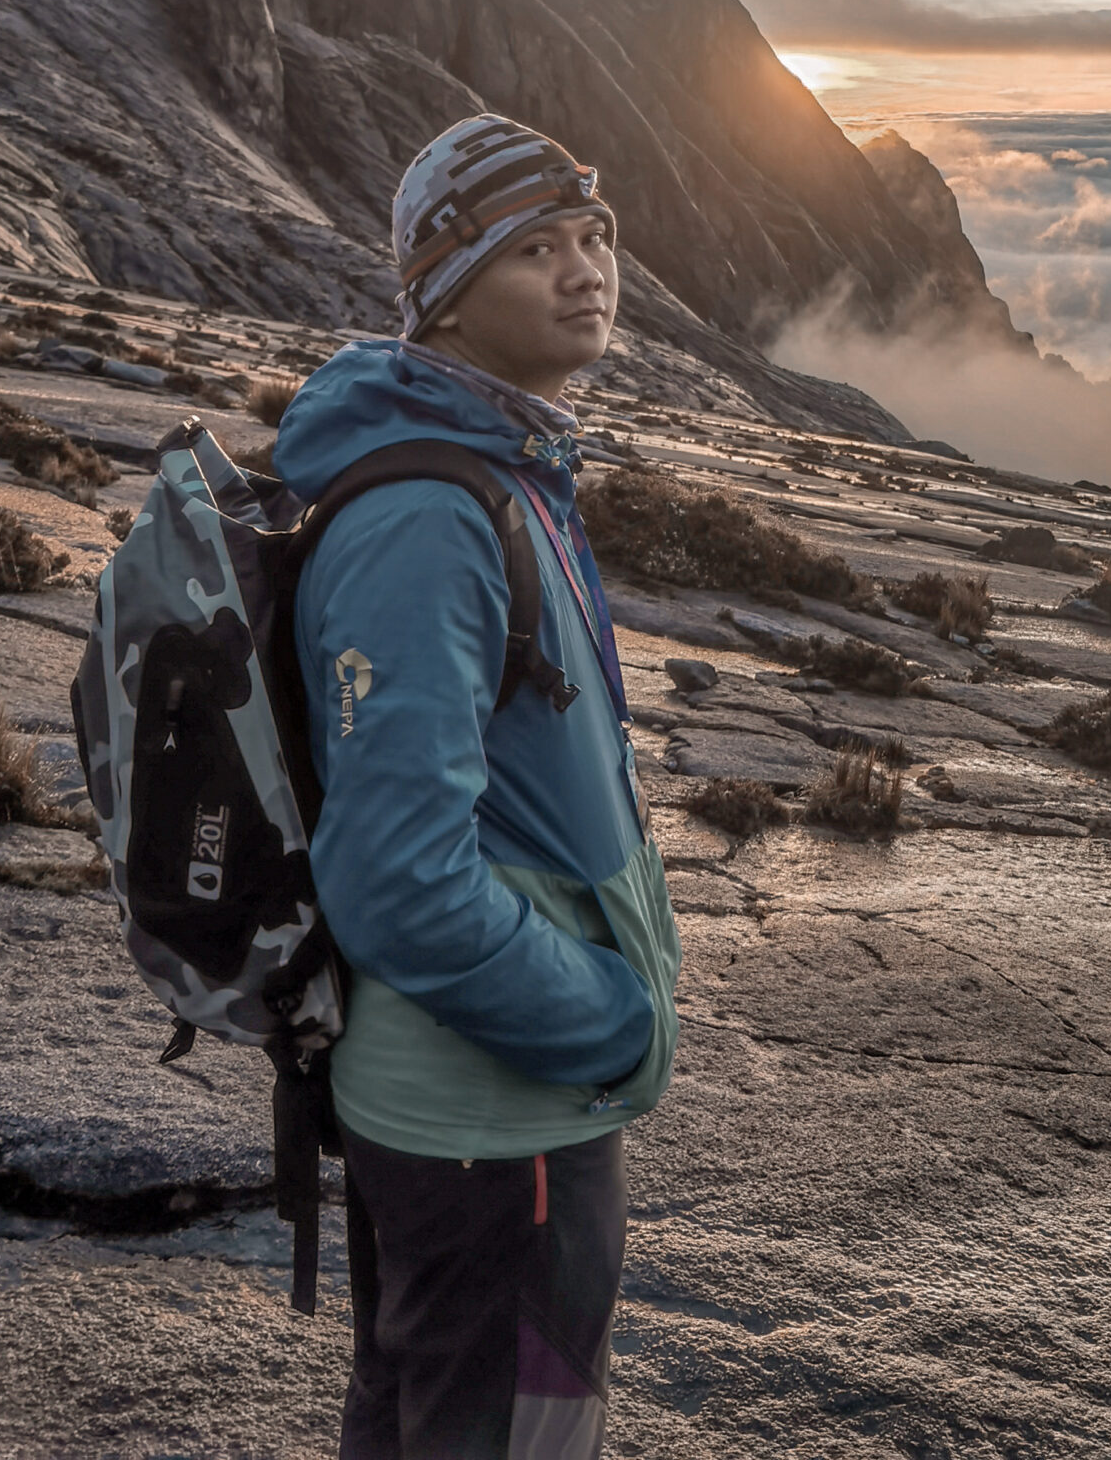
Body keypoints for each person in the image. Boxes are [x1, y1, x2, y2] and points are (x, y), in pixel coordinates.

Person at [274, 113, 680, 1460]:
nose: (587, 270)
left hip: (477, 1102)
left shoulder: (496, 467)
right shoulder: (429, 517)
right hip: (499, 1111)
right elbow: (398, 877)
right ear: (444, 292)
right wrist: (605, 1022)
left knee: (417, 1418)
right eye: (535, 249)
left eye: (594, 236)